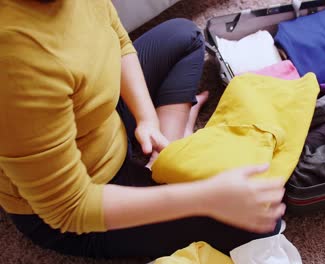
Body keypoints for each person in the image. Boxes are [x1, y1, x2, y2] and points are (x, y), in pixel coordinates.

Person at [0, 0, 285, 258]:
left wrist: (148, 119)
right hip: (81, 199)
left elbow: (117, 37)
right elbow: (69, 209)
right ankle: (160, 169)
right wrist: (206, 197)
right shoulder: (16, 61)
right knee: (256, 223)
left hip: (96, 117)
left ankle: (163, 154)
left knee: (184, 36)